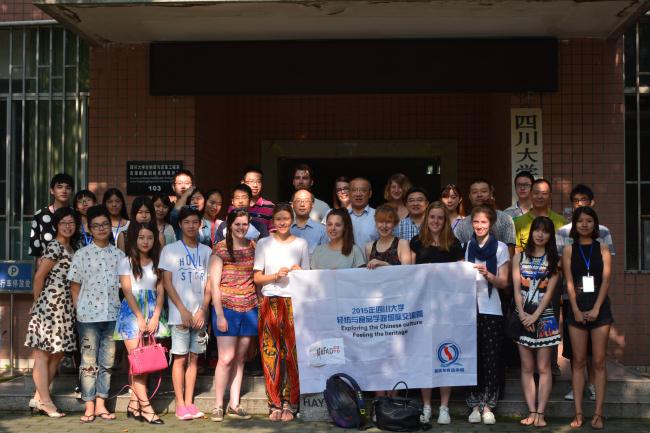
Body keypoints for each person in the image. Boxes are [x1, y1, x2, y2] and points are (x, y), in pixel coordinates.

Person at [557, 184, 615, 402]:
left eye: (584, 200)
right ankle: (578, 386)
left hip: (597, 298)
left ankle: (592, 385)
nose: (580, 204)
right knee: (576, 352)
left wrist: (597, 304)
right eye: (576, 200)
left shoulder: (604, 233)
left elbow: (605, 270)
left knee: (596, 353)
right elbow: (561, 266)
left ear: (592, 203)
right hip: (572, 297)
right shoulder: (562, 233)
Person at [68, 204, 125, 423]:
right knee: (88, 362)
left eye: (105, 224)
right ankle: (89, 405)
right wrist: (79, 310)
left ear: (110, 227)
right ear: (89, 229)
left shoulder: (119, 255)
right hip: (88, 318)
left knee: (107, 362)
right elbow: (75, 286)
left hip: (112, 316)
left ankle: (101, 403)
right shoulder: (82, 254)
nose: (101, 228)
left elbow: (124, 286)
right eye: (96, 225)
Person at [253, 204, 310, 421]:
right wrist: (275, 276)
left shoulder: (301, 244)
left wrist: (299, 272)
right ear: (273, 221)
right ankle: (274, 403)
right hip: (270, 300)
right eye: (278, 219)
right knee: (270, 353)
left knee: (293, 355)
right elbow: (257, 277)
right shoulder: (264, 243)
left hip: (294, 302)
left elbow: (308, 277)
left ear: (292, 220)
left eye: (286, 218)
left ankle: (291, 402)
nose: (282, 222)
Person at [409, 202, 463, 425]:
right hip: (422, 308)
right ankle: (426, 406)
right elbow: (409, 274)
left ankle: (444, 407)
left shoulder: (454, 244)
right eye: (432, 217)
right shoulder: (416, 242)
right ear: (426, 218)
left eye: (440, 218)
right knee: (425, 356)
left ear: (445, 221)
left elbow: (461, 275)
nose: (436, 221)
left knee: (445, 356)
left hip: (446, 310)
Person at [25, 207, 79, 418]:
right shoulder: (54, 246)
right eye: (63, 222)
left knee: (58, 354)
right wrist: (37, 302)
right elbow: (39, 277)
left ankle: (38, 397)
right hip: (49, 305)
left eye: (71, 222)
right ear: (56, 225)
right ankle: (46, 402)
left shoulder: (71, 247)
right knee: (43, 354)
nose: (68, 226)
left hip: (65, 307)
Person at [159, 206, 212, 420]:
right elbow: (167, 282)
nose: (191, 226)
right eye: (187, 222)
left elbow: (209, 284)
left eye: (195, 222)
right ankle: (180, 404)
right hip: (179, 315)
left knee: (194, 359)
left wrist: (203, 310)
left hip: (199, 315)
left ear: (200, 225)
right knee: (180, 358)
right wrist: (182, 309)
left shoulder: (207, 251)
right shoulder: (170, 250)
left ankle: (190, 403)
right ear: (180, 224)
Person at [563, 206, 612, 430]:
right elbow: (568, 281)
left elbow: (606, 280)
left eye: (589, 221)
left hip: (600, 309)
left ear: (595, 224)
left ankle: (599, 414)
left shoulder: (603, 248)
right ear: (575, 224)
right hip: (576, 308)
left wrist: (596, 308)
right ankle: (579, 413)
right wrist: (574, 308)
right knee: (578, 361)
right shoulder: (568, 249)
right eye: (580, 221)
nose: (584, 224)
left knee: (599, 361)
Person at [115, 222, 169, 425]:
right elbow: (127, 291)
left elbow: (161, 292)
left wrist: (155, 316)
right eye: (141, 237)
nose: (145, 241)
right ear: (134, 240)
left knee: (146, 362)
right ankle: (147, 408)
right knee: (137, 363)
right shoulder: (126, 262)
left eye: (149, 237)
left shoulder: (158, 262)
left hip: (153, 312)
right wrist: (139, 316)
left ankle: (134, 403)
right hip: (132, 314)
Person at [208, 209, 257, 422]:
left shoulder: (253, 247)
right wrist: (219, 314)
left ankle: (234, 404)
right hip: (226, 308)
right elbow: (214, 285)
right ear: (229, 225)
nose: (241, 228)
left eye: (245, 224)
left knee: (240, 357)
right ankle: (218, 404)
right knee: (226, 358)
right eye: (237, 224)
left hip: (250, 307)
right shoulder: (220, 248)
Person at [512, 216, 561, 428]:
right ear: (531, 232)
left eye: (545, 231)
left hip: (546, 317)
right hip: (522, 315)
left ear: (550, 235)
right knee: (527, 366)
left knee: (544, 367)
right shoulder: (518, 257)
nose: (540, 234)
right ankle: (531, 411)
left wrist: (534, 316)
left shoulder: (554, 261)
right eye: (537, 230)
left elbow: (549, 295)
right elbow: (516, 290)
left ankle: (541, 413)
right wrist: (523, 315)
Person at [465, 205, 510, 425]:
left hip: (492, 308)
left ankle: (489, 405)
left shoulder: (501, 247)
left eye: (483, 222)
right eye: (476, 222)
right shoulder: (468, 246)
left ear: (490, 223)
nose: (479, 226)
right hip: (469, 309)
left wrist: (488, 275)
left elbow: (504, 282)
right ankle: (474, 404)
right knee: (473, 357)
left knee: (491, 357)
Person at [453, 178, 516, 256]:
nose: (479, 195)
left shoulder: (505, 219)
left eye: (484, 191)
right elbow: (457, 254)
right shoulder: (462, 225)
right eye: (474, 192)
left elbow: (510, 253)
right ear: (469, 196)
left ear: (491, 194)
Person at [29, 173, 74, 262]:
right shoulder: (40, 215)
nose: (64, 191)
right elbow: (36, 248)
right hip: (47, 266)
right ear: (52, 190)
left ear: (71, 191)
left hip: (74, 265)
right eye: (60, 187)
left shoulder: (75, 214)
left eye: (68, 188)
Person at [513, 178, 567, 251]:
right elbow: (516, 251)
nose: (540, 196)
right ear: (530, 195)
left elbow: (568, 248)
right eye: (536, 193)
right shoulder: (518, 222)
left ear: (550, 196)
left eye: (544, 193)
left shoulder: (562, 222)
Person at [365, 204, 411, 269]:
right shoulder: (369, 247)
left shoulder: (402, 244)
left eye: (388, 222)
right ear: (376, 223)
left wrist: (384, 264)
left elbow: (407, 272)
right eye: (380, 221)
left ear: (394, 223)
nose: (384, 226)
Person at [291, 189, 328, 255]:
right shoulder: (285, 229)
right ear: (292, 204)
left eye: (306, 201)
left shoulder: (322, 230)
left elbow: (325, 257)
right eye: (298, 200)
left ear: (312, 204)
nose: (302, 204)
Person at [348, 177, 379, 250]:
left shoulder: (378, 215)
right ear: (349, 193)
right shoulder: (341, 216)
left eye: (363, 190)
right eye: (354, 190)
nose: (358, 194)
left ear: (370, 194)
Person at [241, 166, 274, 231]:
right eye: (251, 181)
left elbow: (273, 233)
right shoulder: (235, 205)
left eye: (258, 182)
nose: (255, 185)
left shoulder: (270, 207)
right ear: (243, 183)